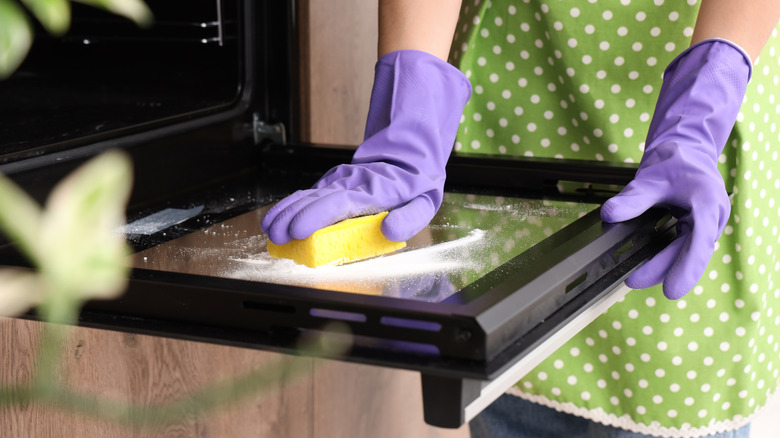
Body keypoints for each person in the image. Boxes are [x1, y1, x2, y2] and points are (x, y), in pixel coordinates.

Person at [262, 1, 780, 436]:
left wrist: (697, 116)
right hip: (513, 101)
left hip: (698, 84)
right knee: (508, 356)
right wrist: (406, 124)